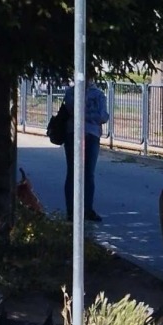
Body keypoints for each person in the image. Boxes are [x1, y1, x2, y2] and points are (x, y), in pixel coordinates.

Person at [62, 75, 109, 222]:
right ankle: (74, 211)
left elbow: (103, 116)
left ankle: (84, 210)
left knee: (86, 173)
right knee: (76, 172)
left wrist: (83, 114)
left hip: (88, 135)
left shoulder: (98, 95)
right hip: (76, 135)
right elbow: (74, 111)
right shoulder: (71, 93)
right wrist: (91, 115)